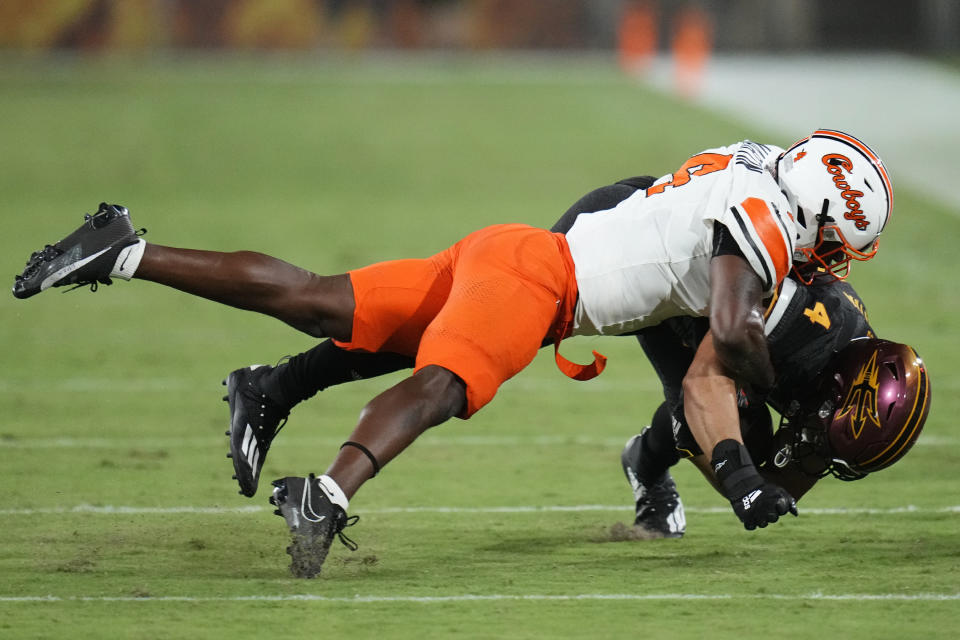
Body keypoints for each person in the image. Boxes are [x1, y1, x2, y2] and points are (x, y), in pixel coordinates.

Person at [13, 129, 892, 577]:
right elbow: (732, 342)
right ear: (817, 211)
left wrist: (741, 479)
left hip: (517, 254)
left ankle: (125, 248)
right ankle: (326, 493)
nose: (836, 265)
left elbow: (706, 376)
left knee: (323, 301)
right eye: (840, 242)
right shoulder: (767, 226)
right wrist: (780, 398)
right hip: (541, 282)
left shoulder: (757, 177)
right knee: (442, 384)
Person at [619, 279, 931, 538]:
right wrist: (742, 485)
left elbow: (780, 484)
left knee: (751, 460)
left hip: (755, 340)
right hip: (693, 297)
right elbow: (701, 384)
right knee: (716, 424)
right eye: (825, 427)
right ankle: (645, 462)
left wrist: (764, 489)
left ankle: (656, 449)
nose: (818, 444)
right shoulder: (805, 329)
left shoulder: (845, 378)